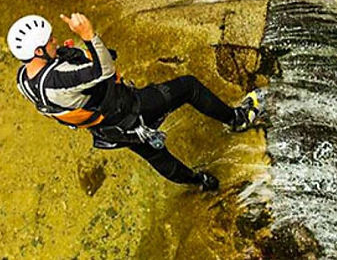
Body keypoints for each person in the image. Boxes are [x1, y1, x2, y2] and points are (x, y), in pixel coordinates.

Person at [6, 13, 262, 192]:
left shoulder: (24, 79)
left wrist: (68, 54)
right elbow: (104, 69)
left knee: (156, 155)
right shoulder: (58, 80)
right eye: (49, 41)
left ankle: (200, 181)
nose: (54, 41)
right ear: (38, 52)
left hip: (110, 129)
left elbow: (70, 75)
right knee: (188, 87)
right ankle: (237, 120)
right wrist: (88, 35)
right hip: (129, 109)